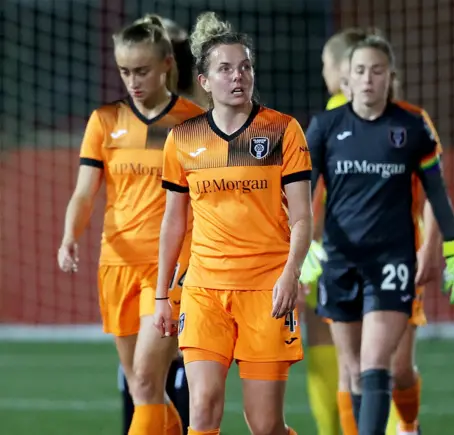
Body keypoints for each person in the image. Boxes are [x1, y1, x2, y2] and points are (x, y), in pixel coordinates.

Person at [154, 11, 312, 435]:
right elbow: (173, 223)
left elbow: (302, 218)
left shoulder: (282, 131)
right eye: (225, 69)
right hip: (204, 290)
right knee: (202, 409)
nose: (238, 76)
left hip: (267, 290)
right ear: (204, 82)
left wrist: (290, 274)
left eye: (245, 67)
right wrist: (161, 296)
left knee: (264, 426)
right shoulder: (182, 139)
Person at [306, 34, 454, 435]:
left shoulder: (412, 125)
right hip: (339, 261)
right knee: (356, 370)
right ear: (346, 79)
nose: (367, 79)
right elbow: (300, 192)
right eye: (359, 71)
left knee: (382, 364)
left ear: (390, 77)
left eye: (376, 71)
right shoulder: (326, 126)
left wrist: (450, 248)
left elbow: (436, 192)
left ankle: (407, 425)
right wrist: (300, 246)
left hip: (394, 259)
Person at [57, 14, 204, 435]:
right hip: (116, 265)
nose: (133, 81)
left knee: (144, 377)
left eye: (141, 70)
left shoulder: (192, 121)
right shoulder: (104, 121)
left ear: (165, 66)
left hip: (171, 268)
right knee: (145, 391)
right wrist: (70, 236)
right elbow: (85, 193)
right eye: (125, 71)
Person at [116, 15, 200, 435]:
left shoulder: (191, 118)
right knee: (142, 382)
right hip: (134, 268)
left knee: (154, 379)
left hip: (180, 269)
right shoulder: (132, 122)